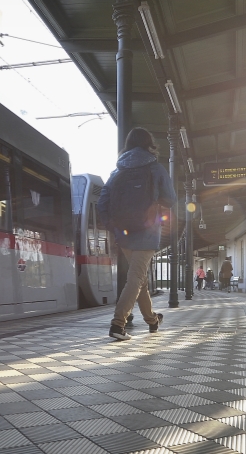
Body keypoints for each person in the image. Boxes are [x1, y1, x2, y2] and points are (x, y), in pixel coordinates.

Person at [97, 127, 177, 341]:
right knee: (136, 278)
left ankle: (152, 320)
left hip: (124, 234)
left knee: (140, 280)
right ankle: (118, 324)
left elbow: (102, 203)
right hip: (147, 232)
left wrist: (115, 228)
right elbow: (170, 199)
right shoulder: (155, 167)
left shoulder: (117, 172)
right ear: (148, 144)